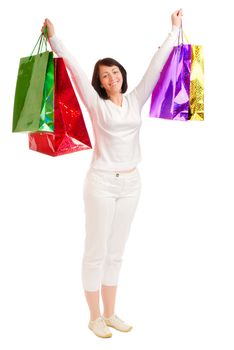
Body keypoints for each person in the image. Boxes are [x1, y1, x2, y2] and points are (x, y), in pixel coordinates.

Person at [41, 9, 183, 339]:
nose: (111, 78)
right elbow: (75, 70)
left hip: (132, 182)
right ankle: (95, 317)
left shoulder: (135, 100)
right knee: (96, 251)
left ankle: (111, 313)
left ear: (122, 74)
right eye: (105, 75)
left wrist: (173, 31)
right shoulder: (96, 103)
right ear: (100, 82)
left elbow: (156, 67)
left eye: (115, 72)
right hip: (101, 183)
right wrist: (54, 38)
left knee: (116, 252)